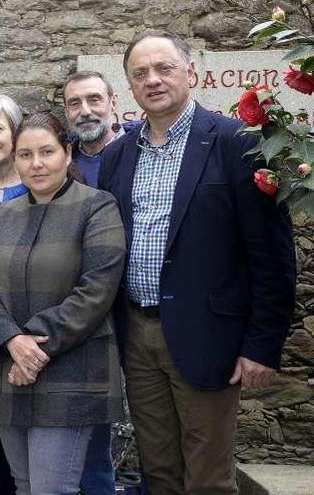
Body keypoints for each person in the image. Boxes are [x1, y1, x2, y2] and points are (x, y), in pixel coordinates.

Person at [99, 30, 296, 494]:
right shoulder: (118, 156)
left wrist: (262, 345)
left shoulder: (236, 143)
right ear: (129, 86)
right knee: (159, 474)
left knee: (208, 479)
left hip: (209, 336)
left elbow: (271, 256)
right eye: (140, 73)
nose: (153, 79)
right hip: (137, 335)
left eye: (164, 68)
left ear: (191, 72)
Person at [0, 112, 127, 494]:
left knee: (51, 488)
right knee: (24, 486)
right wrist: (12, 341)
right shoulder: (3, 215)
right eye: (25, 155)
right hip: (8, 368)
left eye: (46, 152)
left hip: (70, 371)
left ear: (67, 153)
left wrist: (32, 348)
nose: (36, 164)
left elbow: (96, 291)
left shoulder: (97, 207)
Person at [62, 70, 126, 494]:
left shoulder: (138, 150)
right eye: (74, 104)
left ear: (112, 101)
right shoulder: (60, 161)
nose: (85, 111)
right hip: (76, 311)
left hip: (130, 306)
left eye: (93, 100)